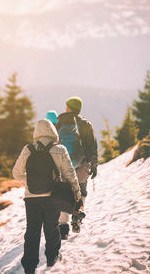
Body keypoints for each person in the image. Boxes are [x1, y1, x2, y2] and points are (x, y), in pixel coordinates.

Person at [13, 118, 81, 274]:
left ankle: (29, 267)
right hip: (52, 196)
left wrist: (29, 182)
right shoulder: (60, 149)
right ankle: (52, 257)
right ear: (53, 132)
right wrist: (76, 192)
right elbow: (70, 174)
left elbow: (16, 173)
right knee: (52, 228)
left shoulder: (28, 149)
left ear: (36, 133)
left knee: (32, 232)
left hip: (31, 198)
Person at [57, 96, 98, 239]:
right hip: (82, 165)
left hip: (63, 166)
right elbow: (92, 146)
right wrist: (94, 164)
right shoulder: (86, 124)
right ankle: (77, 218)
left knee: (63, 193)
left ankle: (63, 226)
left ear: (68, 107)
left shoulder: (59, 122)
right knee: (81, 191)